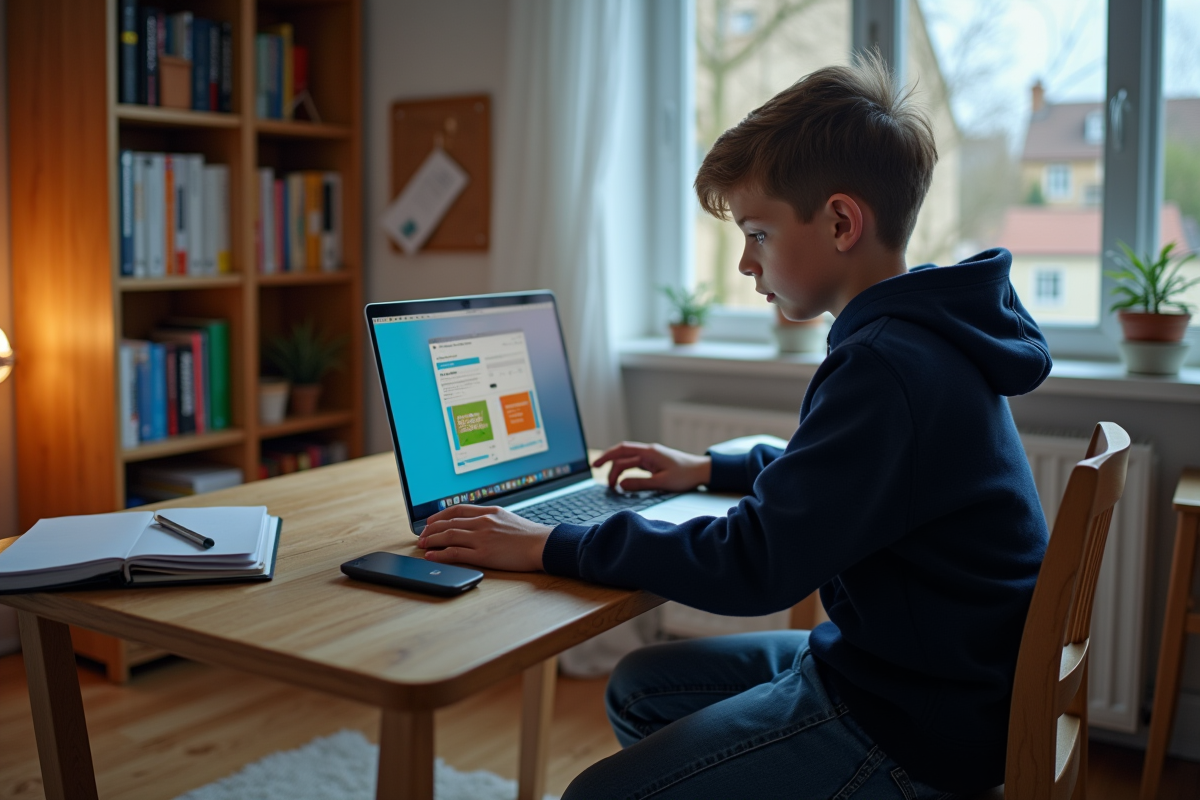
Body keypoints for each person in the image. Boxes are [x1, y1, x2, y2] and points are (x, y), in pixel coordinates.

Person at [416, 53, 1051, 798]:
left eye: (757, 232)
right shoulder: (923, 335)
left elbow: (756, 562)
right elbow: (839, 475)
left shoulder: (887, 365)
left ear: (841, 221)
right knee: (642, 685)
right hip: (925, 677)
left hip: (909, 721)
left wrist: (553, 543)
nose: (748, 264)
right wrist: (712, 469)